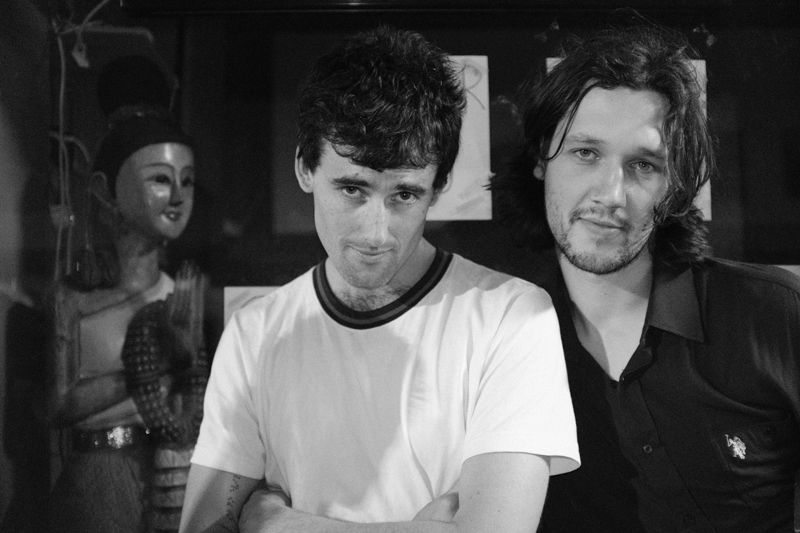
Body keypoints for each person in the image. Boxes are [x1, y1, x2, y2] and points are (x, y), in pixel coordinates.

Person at [180, 26, 580, 533]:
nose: (376, 232)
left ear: (439, 186)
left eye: (404, 195)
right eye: (353, 189)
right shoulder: (255, 333)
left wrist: (276, 525)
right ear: (305, 167)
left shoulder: (512, 316)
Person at [492, 23, 800, 532]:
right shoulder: (494, 339)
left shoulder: (773, 315)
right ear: (543, 157)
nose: (610, 194)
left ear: (674, 185)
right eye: (586, 153)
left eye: (642, 165)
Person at [46, 104, 207, 532]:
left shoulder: (178, 293)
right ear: (104, 190)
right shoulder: (75, 299)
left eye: (187, 181)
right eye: (160, 179)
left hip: (168, 471)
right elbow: (57, 406)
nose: (178, 196)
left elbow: (190, 403)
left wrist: (183, 360)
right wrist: (147, 368)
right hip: (97, 475)